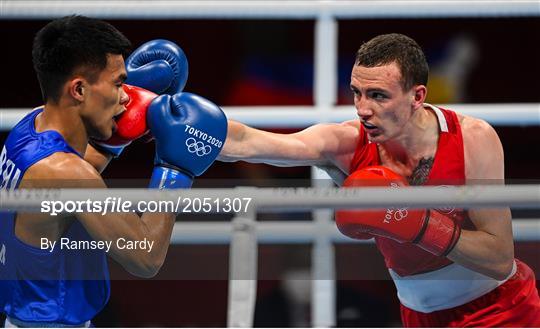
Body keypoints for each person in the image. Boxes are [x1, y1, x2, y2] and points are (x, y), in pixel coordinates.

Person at [219, 33, 540, 327]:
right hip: (419, 317)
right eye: (357, 93)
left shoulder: (471, 138)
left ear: (417, 96)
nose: (362, 109)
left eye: (377, 96)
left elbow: (499, 258)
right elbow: (251, 141)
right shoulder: (347, 142)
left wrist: (420, 224)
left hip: (501, 309)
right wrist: (188, 129)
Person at [0, 15, 227, 327]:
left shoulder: (28, 129)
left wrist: (117, 136)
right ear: (78, 90)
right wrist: (175, 170)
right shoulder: (70, 175)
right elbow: (145, 258)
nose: (126, 96)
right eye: (119, 83)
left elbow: (77, 174)